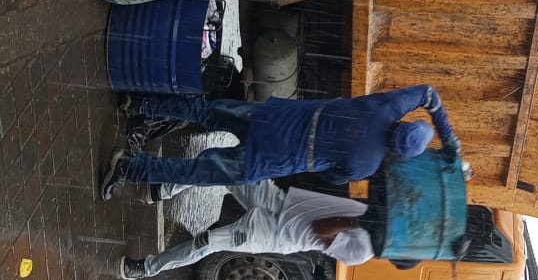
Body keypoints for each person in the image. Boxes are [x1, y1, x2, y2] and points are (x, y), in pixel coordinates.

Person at [100, 84, 459, 200]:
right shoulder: (366, 165)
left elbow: (429, 94)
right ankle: (129, 167)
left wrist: (450, 140)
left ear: (406, 121)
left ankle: (140, 103)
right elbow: (330, 177)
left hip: (272, 117)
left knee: (206, 111)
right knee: (196, 172)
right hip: (270, 158)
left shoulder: (385, 107)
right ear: (398, 153)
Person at [118, 179, 374, 280]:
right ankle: (161, 190)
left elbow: (321, 228)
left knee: (206, 242)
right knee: (223, 167)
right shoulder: (372, 212)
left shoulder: (361, 251)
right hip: (279, 201)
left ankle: (145, 268)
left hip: (273, 233)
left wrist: (358, 223)